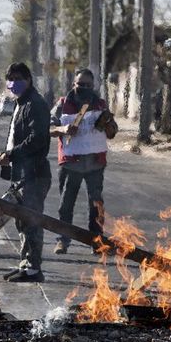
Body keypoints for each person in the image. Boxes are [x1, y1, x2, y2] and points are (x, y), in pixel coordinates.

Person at [50, 68, 118, 255]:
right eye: (81, 84)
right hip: (71, 163)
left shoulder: (101, 105)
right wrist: (64, 129)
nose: (84, 88)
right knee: (66, 204)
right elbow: (48, 127)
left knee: (96, 204)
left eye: (88, 85)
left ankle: (96, 241)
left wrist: (108, 124)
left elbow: (112, 132)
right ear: (74, 84)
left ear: (93, 86)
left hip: (95, 163)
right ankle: (63, 240)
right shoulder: (63, 104)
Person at [0, 62, 51, 282]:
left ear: (28, 80)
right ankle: (26, 265)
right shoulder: (21, 103)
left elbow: (36, 139)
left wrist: (12, 154)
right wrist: (7, 155)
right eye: (10, 79)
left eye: (18, 78)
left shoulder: (35, 104)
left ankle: (34, 270)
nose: (14, 83)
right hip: (21, 173)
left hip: (34, 174)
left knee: (32, 220)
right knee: (22, 221)